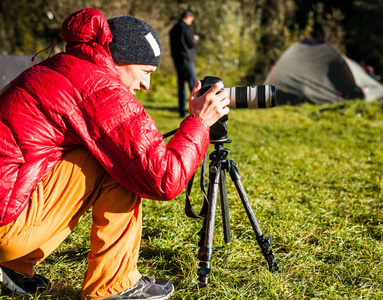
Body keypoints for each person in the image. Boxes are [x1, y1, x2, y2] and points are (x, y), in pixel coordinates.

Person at [0, 8, 229, 300]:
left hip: (6, 207)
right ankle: (113, 285)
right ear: (121, 59)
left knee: (107, 151)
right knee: (123, 165)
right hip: (6, 227)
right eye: (145, 72)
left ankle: (12, 266)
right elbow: (163, 178)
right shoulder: (101, 88)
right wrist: (199, 123)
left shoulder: (63, 66)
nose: (146, 85)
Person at [169, 9, 200, 118]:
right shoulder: (187, 28)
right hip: (187, 60)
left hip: (178, 60)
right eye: (191, 19)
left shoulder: (173, 29)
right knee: (194, 86)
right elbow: (191, 43)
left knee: (181, 86)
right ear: (188, 17)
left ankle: (182, 110)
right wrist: (195, 39)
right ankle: (196, 111)